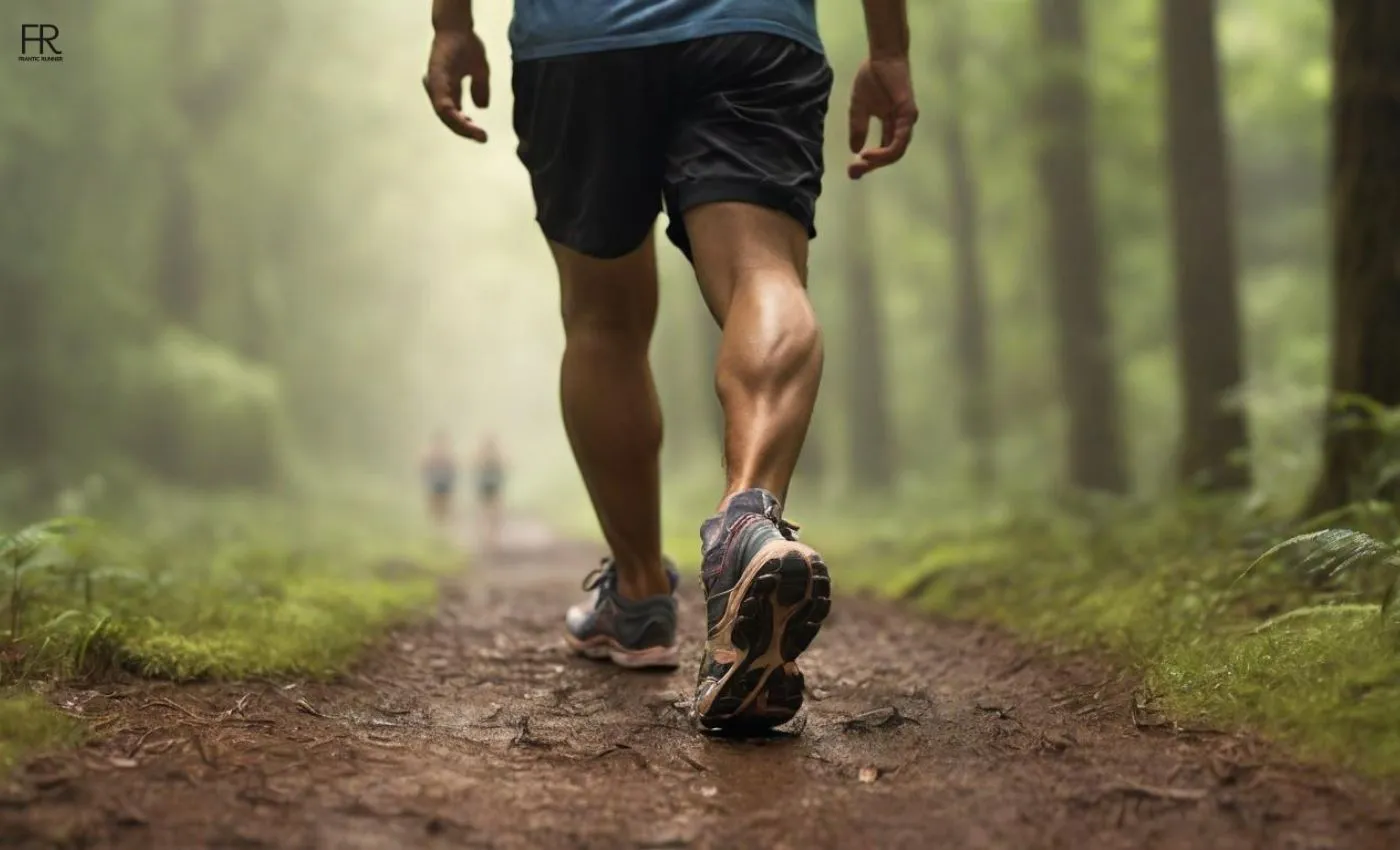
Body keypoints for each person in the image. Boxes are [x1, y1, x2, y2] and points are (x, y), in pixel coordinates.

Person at [424, 0, 916, 732]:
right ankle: (747, 523)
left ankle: (639, 593)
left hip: (579, 38)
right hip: (753, 28)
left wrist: (452, 26)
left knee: (601, 322)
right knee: (762, 272)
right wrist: (889, 48)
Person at [473, 434, 506, 554]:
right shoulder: (484, 455)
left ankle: (491, 538)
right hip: (486, 488)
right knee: (488, 513)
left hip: (492, 488)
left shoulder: (494, 455)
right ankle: (488, 539)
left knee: (492, 513)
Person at [421, 430, 458, 527]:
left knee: (445, 507)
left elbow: (452, 469)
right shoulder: (431, 454)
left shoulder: (449, 455)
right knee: (435, 506)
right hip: (435, 481)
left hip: (445, 482)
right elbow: (425, 467)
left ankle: (444, 526)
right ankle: (435, 526)